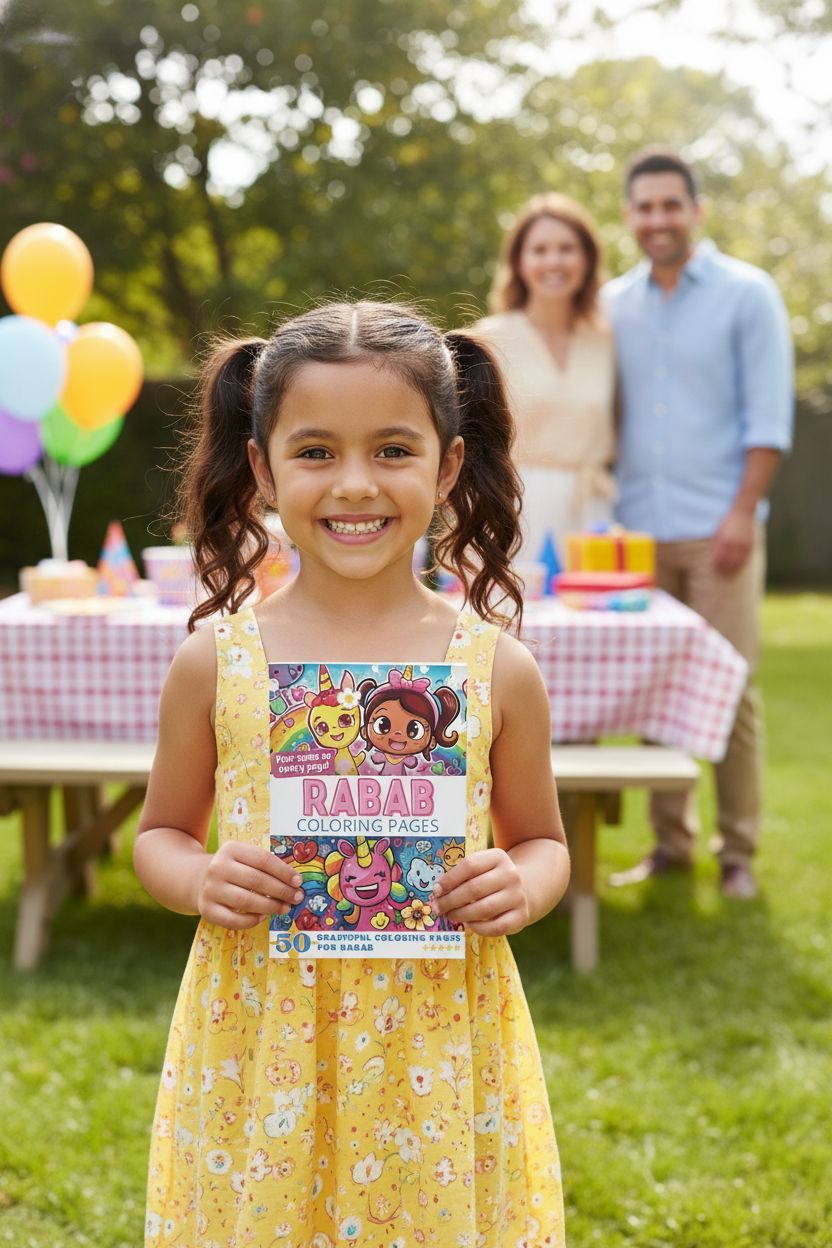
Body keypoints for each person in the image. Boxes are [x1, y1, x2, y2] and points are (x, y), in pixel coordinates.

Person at [134, 301, 571, 1247]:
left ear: (449, 465)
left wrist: (522, 885)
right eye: (318, 452)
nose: (356, 484)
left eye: (395, 450)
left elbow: (542, 843)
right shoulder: (217, 660)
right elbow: (159, 835)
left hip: (440, 1036)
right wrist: (198, 875)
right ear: (263, 469)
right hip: (264, 1033)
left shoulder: (494, 666)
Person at [603, 148, 794, 899]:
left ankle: (738, 849)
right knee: (660, 689)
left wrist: (743, 513)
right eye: (644, 207)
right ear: (629, 216)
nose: (657, 219)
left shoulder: (750, 294)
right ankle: (671, 844)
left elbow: (768, 419)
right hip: (636, 535)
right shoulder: (615, 303)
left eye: (670, 205)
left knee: (732, 689)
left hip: (721, 530)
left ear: (696, 210)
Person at [473, 192, 616, 566]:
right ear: (519, 261)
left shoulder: (606, 341)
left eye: (566, 248)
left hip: (592, 512)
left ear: (587, 258)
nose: (554, 260)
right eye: (540, 250)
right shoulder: (487, 339)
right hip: (513, 508)